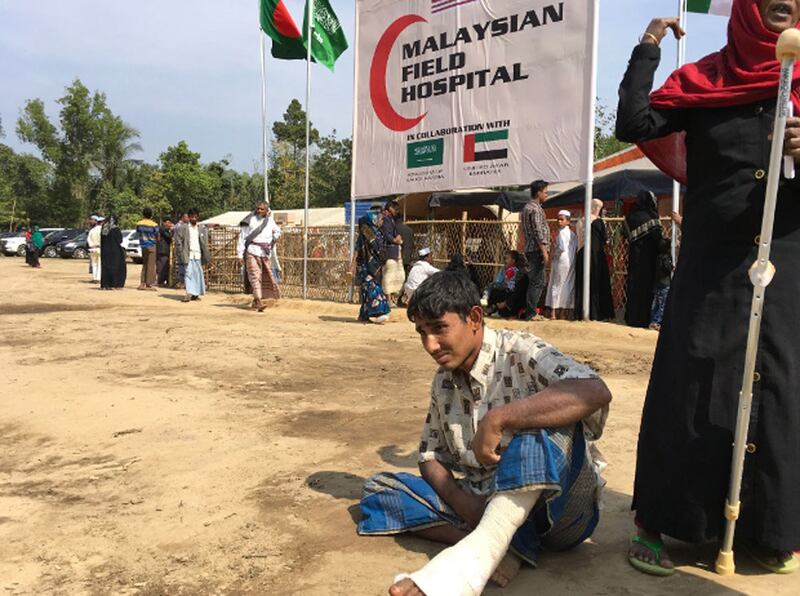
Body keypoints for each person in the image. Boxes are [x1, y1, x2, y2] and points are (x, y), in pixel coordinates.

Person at [616, 1, 800, 575]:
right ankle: (660, 519)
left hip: (787, 264)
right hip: (711, 267)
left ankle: (769, 528)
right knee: (692, 383)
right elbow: (635, 123)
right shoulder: (706, 78)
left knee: (780, 387)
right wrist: (648, 46)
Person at [357, 271, 611, 595]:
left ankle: (479, 553)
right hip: (480, 507)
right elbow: (429, 455)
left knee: (546, 424)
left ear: (474, 318)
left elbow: (594, 390)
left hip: (558, 514)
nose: (430, 345)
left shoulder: (521, 350)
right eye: (422, 332)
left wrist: (501, 418)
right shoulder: (443, 381)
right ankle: (493, 544)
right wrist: (463, 503)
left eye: (439, 328)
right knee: (379, 489)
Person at [622, 191, 662, 328]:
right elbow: (658, 238)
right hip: (649, 259)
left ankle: (632, 317)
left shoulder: (630, 217)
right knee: (646, 288)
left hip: (633, 257)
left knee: (634, 287)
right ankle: (643, 319)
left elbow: (624, 234)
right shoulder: (652, 216)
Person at [575, 199, 615, 321]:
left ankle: (582, 313)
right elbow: (605, 240)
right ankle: (597, 313)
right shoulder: (598, 222)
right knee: (597, 282)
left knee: (583, 283)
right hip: (596, 256)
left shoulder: (580, 221)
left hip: (582, 255)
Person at [237, 201, 281, 312]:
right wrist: (240, 254)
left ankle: (256, 300)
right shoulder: (250, 220)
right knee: (255, 275)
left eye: (262, 209)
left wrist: (273, 239)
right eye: (258, 209)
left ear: (267, 210)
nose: (259, 211)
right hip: (252, 251)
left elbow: (277, 231)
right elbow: (242, 237)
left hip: (265, 253)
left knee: (266, 276)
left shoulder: (270, 221)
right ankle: (259, 300)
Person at [350, 210, 390, 324]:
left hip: (376, 265)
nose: (382, 221)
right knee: (373, 288)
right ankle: (380, 312)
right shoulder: (365, 233)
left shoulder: (380, 233)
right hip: (365, 267)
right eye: (380, 219)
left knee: (366, 291)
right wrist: (352, 265)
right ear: (374, 220)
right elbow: (357, 249)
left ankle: (363, 315)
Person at [521, 180, 551, 321]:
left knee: (536, 281)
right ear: (538, 193)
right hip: (536, 250)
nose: (547, 195)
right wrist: (544, 250)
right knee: (537, 282)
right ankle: (531, 313)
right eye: (545, 192)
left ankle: (531, 312)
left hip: (530, 249)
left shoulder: (526, 207)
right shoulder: (536, 209)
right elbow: (538, 231)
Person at [545, 210, 578, 320]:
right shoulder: (573, 234)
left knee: (556, 285)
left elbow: (560, 248)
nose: (559, 221)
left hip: (561, 260)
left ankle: (553, 313)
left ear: (568, 221)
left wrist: (553, 256)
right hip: (571, 261)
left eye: (561, 219)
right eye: (558, 219)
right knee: (567, 285)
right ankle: (562, 313)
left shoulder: (561, 233)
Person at [174, 208, 210, 302]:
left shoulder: (201, 228)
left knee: (197, 274)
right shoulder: (183, 228)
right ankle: (188, 293)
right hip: (187, 254)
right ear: (189, 217)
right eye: (192, 217)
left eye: (195, 217)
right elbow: (178, 242)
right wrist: (181, 253)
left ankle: (195, 294)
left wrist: (205, 254)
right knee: (188, 274)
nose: (194, 218)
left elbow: (205, 243)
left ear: (198, 217)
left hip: (198, 255)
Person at [485, 250, 524, 317]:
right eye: (505, 259)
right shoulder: (505, 269)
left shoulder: (514, 270)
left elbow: (509, 280)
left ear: (513, 261)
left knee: (492, 286)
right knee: (494, 290)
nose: (505, 260)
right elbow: (499, 280)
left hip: (510, 289)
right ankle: (492, 309)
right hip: (506, 288)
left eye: (507, 258)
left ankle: (486, 298)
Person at [381, 199, 405, 303]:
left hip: (394, 252)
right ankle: (388, 299)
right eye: (396, 209)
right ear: (390, 209)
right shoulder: (386, 219)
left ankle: (391, 298)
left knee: (397, 275)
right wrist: (395, 240)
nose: (397, 211)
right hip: (389, 251)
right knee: (389, 275)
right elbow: (387, 235)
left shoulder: (391, 219)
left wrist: (397, 237)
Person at [649, 237, 673, 331]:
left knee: (656, 304)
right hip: (664, 284)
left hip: (657, 284)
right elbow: (668, 267)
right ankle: (657, 322)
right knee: (663, 305)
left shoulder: (658, 257)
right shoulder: (666, 258)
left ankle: (652, 321)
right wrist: (672, 266)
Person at [100, 215, 127, 290]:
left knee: (105, 268)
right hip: (115, 251)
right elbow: (120, 240)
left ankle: (105, 284)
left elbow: (102, 240)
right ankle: (115, 284)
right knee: (116, 267)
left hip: (105, 251)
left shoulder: (104, 229)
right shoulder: (116, 229)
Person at [173, 211, 189, 289]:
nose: (188, 218)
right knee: (183, 266)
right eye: (186, 217)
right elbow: (177, 239)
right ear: (183, 217)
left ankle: (184, 282)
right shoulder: (179, 226)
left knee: (183, 266)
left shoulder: (188, 226)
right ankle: (183, 282)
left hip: (185, 250)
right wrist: (179, 249)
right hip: (182, 250)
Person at [156, 217, 174, 287]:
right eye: (168, 223)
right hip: (162, 250)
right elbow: (169, 236)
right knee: (162, 266)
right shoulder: (162, 229)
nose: (169, 224)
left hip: (164, 250)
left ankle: (164, 281)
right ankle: (160, 281)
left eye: (170, 223)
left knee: (165, 266)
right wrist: (172, 230)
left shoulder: (165, 229)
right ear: (164, 223)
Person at [87, 216, 103, 283]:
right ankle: (98, 278)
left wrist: (92, 245)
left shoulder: (92, 230)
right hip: (100, 248)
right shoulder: (102, 230)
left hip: (92, 249)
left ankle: (94, 278)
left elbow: (88, 239)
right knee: (99, 264)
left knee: (94, 264)